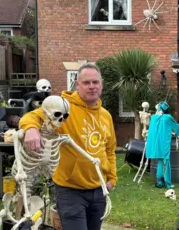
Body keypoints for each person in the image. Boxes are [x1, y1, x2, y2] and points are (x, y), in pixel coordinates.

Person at [19, 63, 117, 230]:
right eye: (86, 83)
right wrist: (30, 129)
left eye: (95, 82)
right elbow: (32, 116)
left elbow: (109, 149)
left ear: (101, 83)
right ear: (77, 84)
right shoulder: (63, 107)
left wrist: (112, 178)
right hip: (70, 191)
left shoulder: (105, 115)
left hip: (98, 190)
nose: (92, 86)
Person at [145, 101, 179, 188]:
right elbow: (176, 127)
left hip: (155, 144)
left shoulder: (154, 118)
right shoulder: (168, 117)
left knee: (160, 161)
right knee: (166, 161)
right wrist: (177, 134)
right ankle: (168, 184)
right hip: (164, 143)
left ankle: (159, 181)